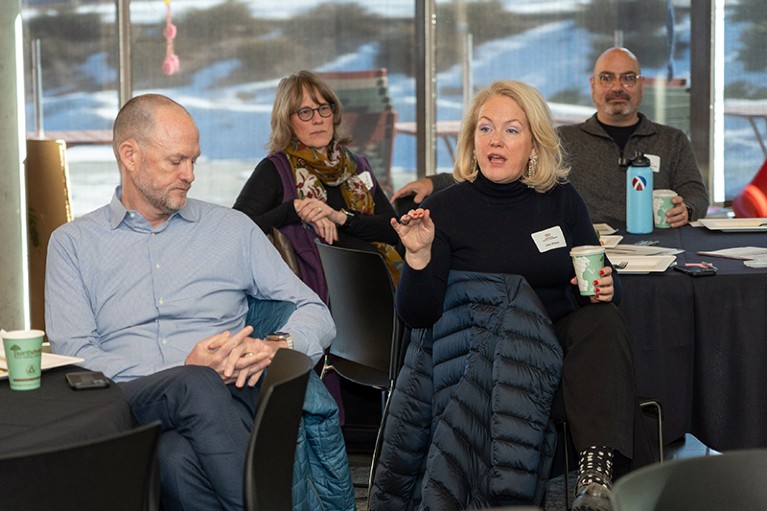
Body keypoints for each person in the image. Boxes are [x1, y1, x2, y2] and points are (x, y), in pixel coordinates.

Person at [44, 94, 339, 511]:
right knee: (193, 382)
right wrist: (181, 371)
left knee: (175, 458)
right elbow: (75, 357)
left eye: (194, 161)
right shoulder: (73, 244)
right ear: (130, 155)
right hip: (126, 399)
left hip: (227, 402)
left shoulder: (231, 230)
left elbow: (317, 312)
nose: (190, 174)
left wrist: (278, 345)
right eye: (175, 161)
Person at [372, 81, 652, 511]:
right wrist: (418, 254)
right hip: (487, 358)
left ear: (535, 145)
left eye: (511, 130)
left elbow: (596, 273)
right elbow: (417, 315)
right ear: (472, 140)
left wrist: (608, 286)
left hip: (557, 347)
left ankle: (595, 476)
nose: (495, 140)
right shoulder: (445, 210)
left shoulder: (562, 200)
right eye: (485, 129)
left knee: (604, 321)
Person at [391, 47, 709, 229]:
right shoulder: (563, 140)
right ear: (592, 85)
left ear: (641, 86)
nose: (617, 87)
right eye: (607, 78)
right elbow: (500, 168)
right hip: (586, 248)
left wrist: (689, 210)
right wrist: (434, 182)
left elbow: (695, 193)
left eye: (628, 78)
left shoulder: (672, 140)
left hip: (659, 251)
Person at [233, 69, 401, 306]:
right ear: (288, 121)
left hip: (378, 290)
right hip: (319, 302)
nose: (317, 118)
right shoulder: (276, 169)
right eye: (305, 112)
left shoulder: (357, 166)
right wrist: (294, 209)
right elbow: (236, 233)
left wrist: (342, 218)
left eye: (323, 108)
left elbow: (392, 230)